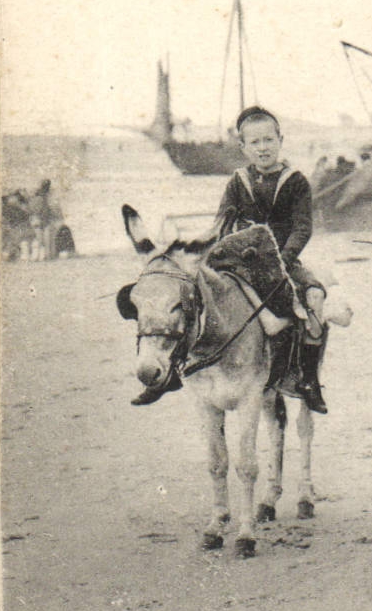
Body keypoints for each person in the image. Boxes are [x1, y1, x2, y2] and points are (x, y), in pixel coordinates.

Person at [132, 106, 330, 411]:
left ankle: (307, 379)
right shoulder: (238, 181)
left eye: (268, 140)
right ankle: (170, 373)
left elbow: (303, 228)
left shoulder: (296, 181)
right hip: (241, 261)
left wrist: (284, 258)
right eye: (255, 142)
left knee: (314, 299)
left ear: (280, 140)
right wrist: (200, 247)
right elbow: (221, 222)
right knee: (190, 298)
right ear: (243, 147)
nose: (263, 148)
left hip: (284, 261)